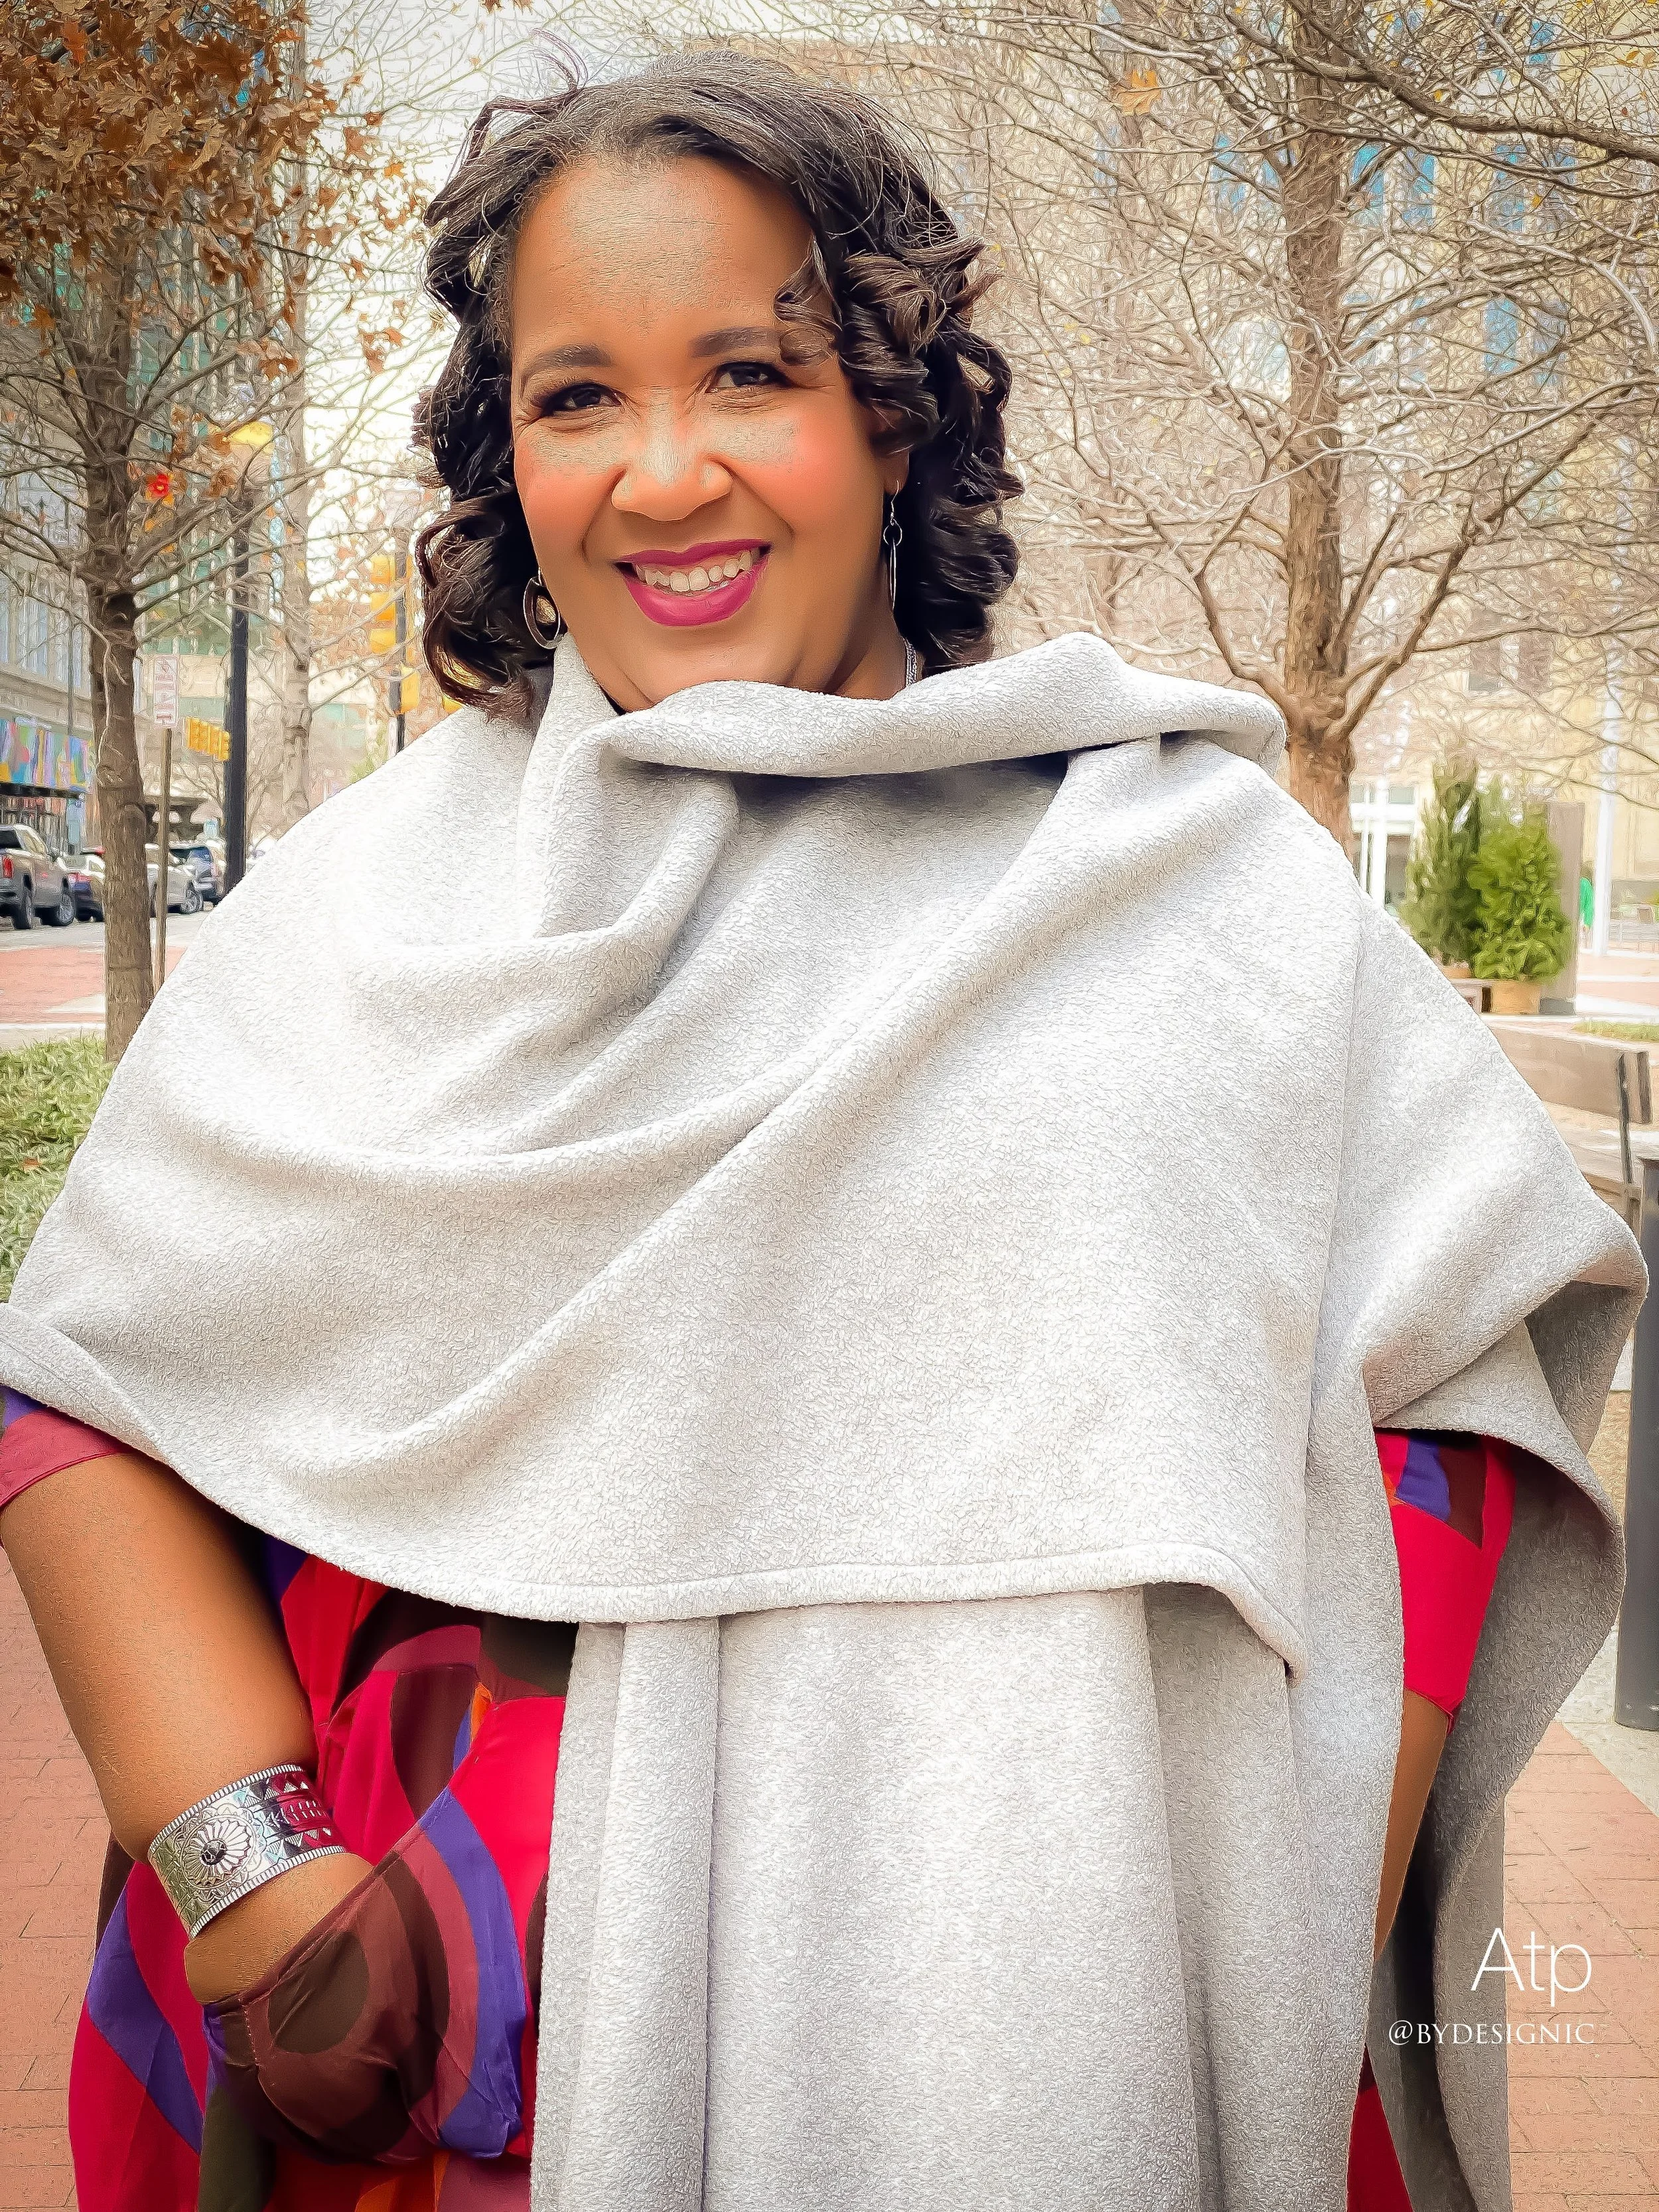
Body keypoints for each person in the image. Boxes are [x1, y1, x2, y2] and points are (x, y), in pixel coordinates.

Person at [0, 53, 1640, 2212]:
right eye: (574, 395)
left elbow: (1456, 1376)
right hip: (467, 2112)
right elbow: (82, 1384)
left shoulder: (1196, 882)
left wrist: (1297, 1884)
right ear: (506, 455)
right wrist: (269, 1908)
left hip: (1077, 2051)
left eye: (748, 371)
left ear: (889, 407)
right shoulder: (366, 904)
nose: (662, 474)